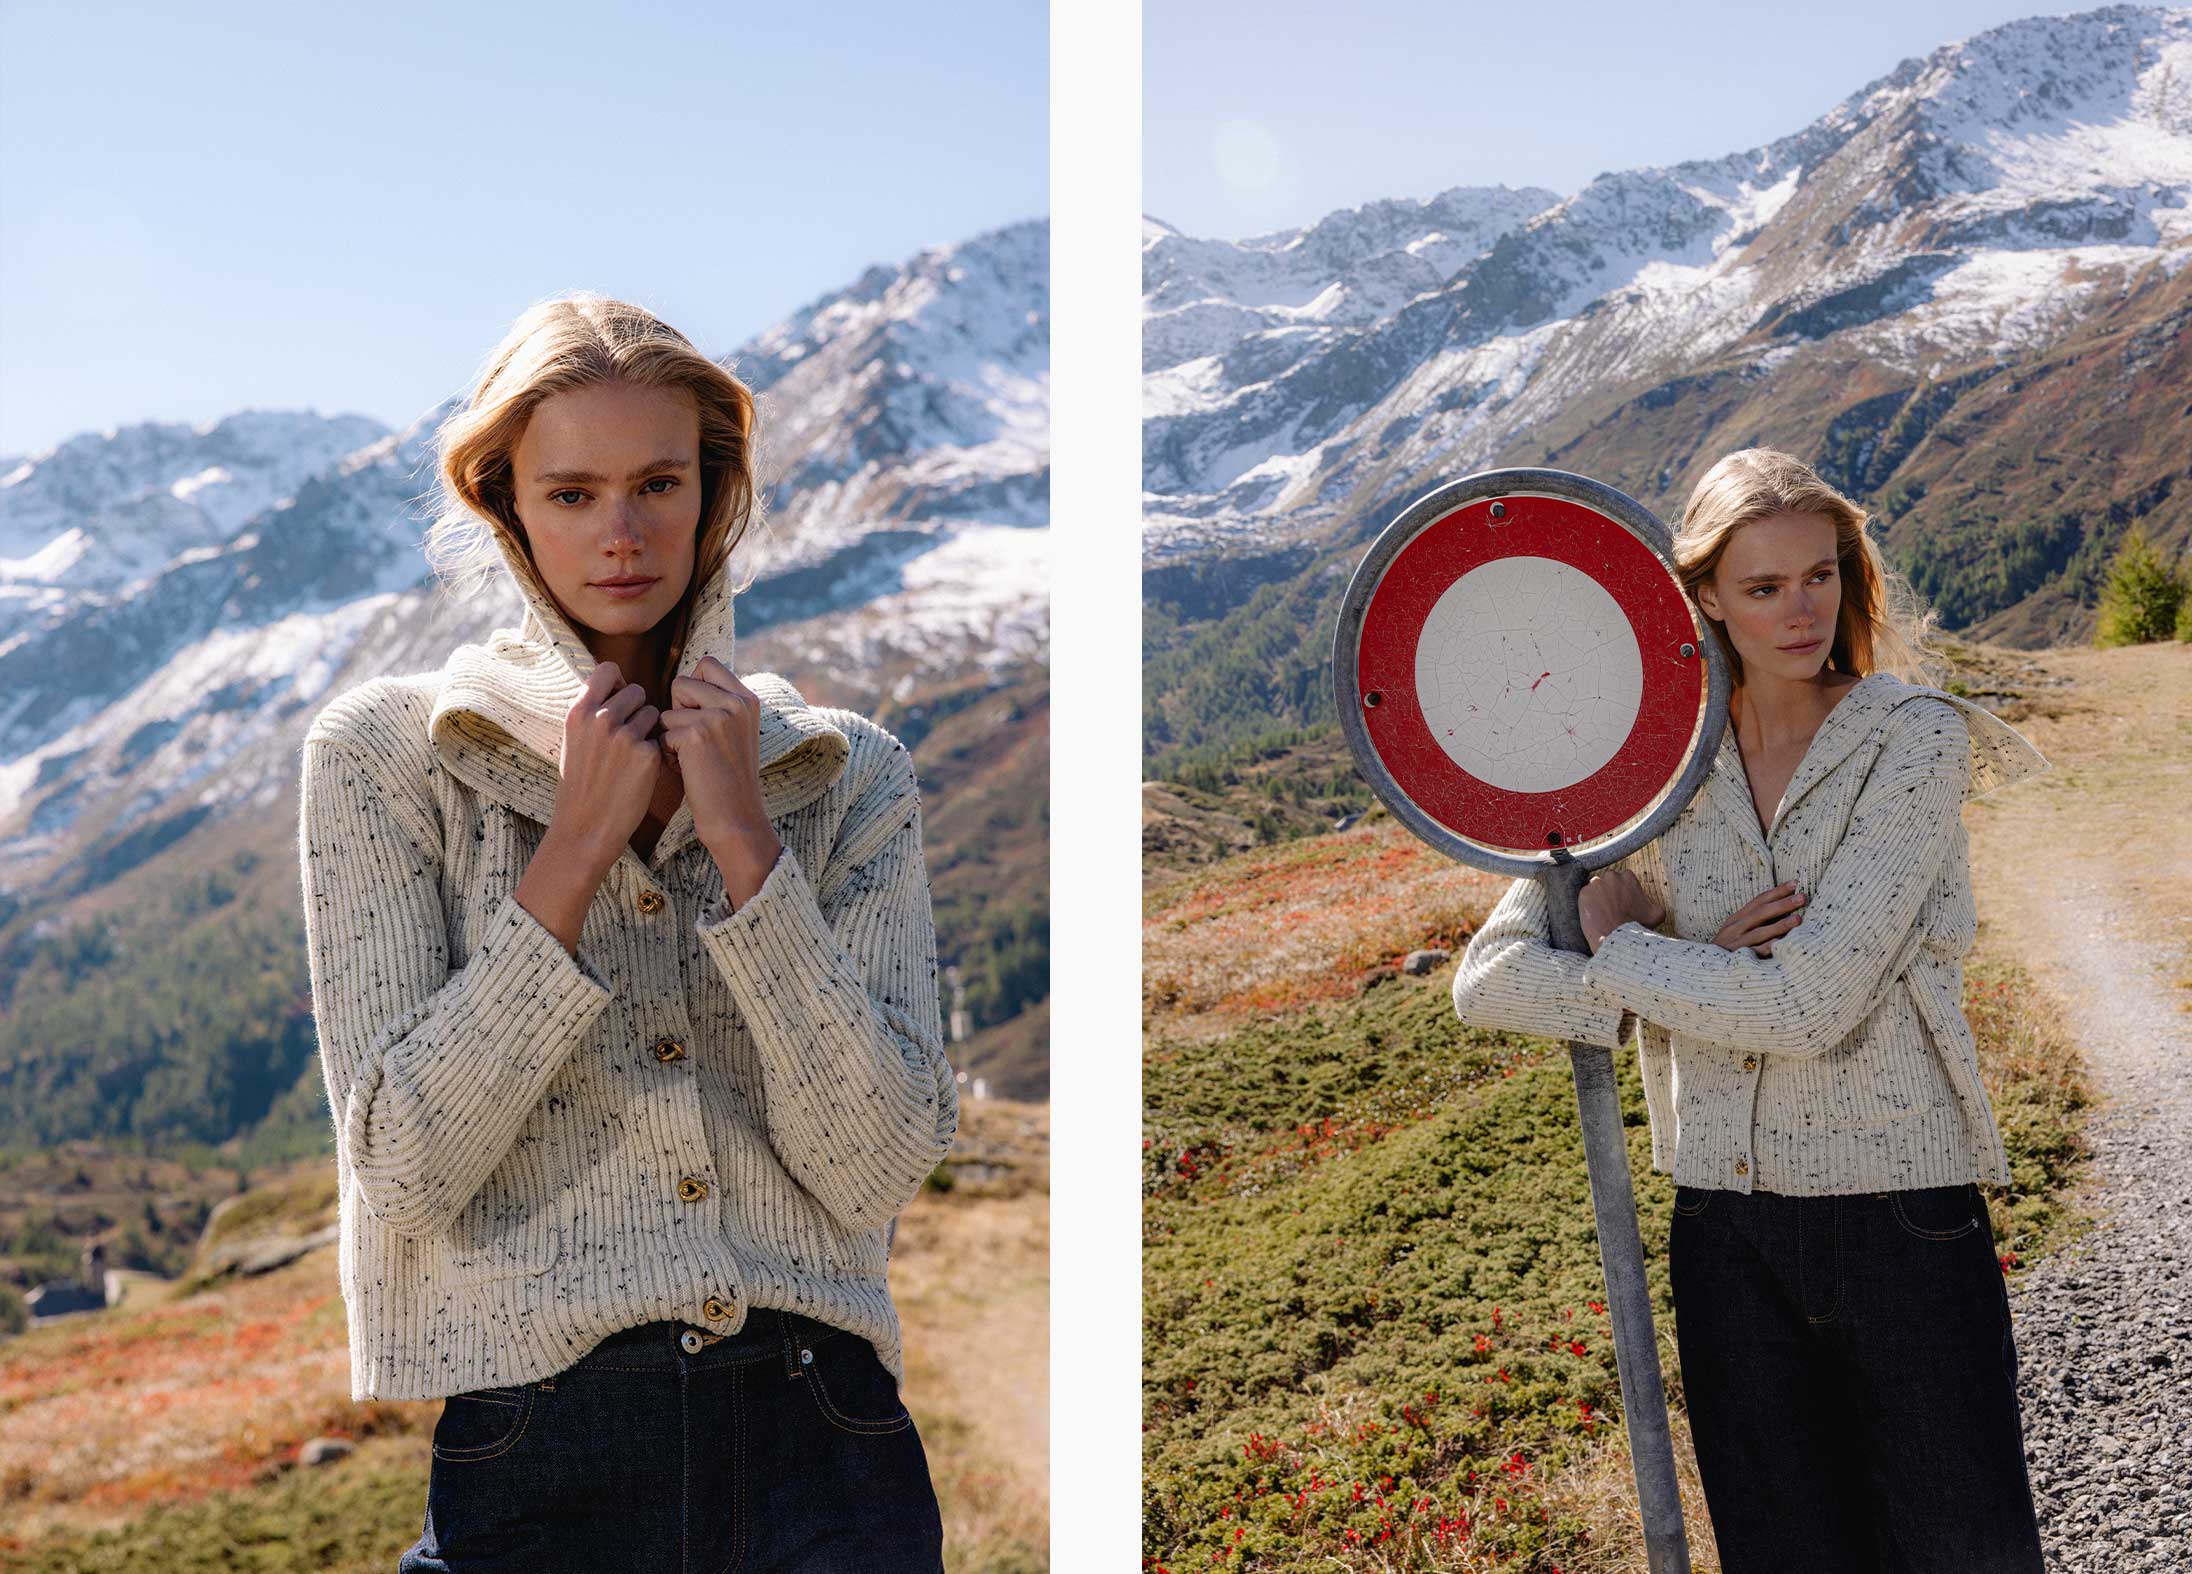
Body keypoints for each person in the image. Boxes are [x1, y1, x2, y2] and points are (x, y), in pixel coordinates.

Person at [295, 292, 957, 1572]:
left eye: (659, 481)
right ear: (504, 508)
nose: (622, 533)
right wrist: (574, 849)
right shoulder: (386, 756)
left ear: (716, 492)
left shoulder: (845, 773)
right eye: (572, 493)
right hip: (542, 1437)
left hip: (829, 1433)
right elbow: (406, 1167)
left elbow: (876, 1161)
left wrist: (747, 845)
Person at [1451, 448, 2051, 1573]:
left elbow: (1811, 1002)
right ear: (1704, 598)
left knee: (1965, 1555)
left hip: (1900, 1213)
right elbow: (1487, 980)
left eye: (1816, 576)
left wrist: (1632, 950)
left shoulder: (1910, 738)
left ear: (1846, 576)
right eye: (1762, 587)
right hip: (1721, 1225)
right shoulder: (1644, 771)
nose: (1798, 611)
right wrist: (1687, 968)